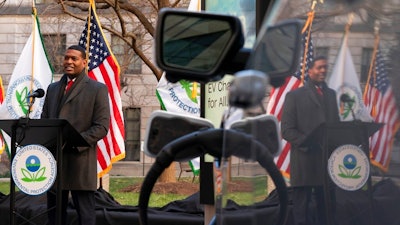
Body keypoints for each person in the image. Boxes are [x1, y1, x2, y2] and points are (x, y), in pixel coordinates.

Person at [41, 45, 110, 225]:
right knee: (54, 216)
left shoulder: (97, 89)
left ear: (84, 62)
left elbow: (101, 127)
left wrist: (75, 142)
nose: (69, 62)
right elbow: (45, 121)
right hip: (55, 162)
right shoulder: (53, 88)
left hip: (80, 160)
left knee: (85, 216)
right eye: (66, 58)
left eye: (74, 58)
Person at [281, 56, 340, 225]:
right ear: (309, 71)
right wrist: (308, 143)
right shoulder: (294, 96)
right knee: (302, 211)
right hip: (304, 160)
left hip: (327, 162)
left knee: (327, 210)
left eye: (325, 67)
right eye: (319, 67)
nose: (323, 70)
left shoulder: (331, 95)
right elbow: (286, 130)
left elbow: (335, 126)